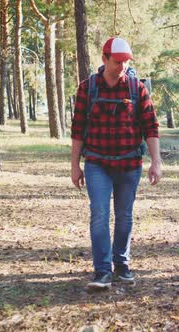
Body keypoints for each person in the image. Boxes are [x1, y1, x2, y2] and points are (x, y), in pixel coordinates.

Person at [70, 37, 162, 289]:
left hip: (129, 164)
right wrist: (74, 165)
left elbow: (151, 127)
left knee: (124, 216)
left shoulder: (137, 88)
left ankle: (121, 264)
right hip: (97, 163)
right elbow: (77, 129)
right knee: (99, 214)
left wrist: (156, 162)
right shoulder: (87, 88)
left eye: (125, 61)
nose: (122, 66)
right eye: (117, 61)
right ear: (105, 59)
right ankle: (102, 271)